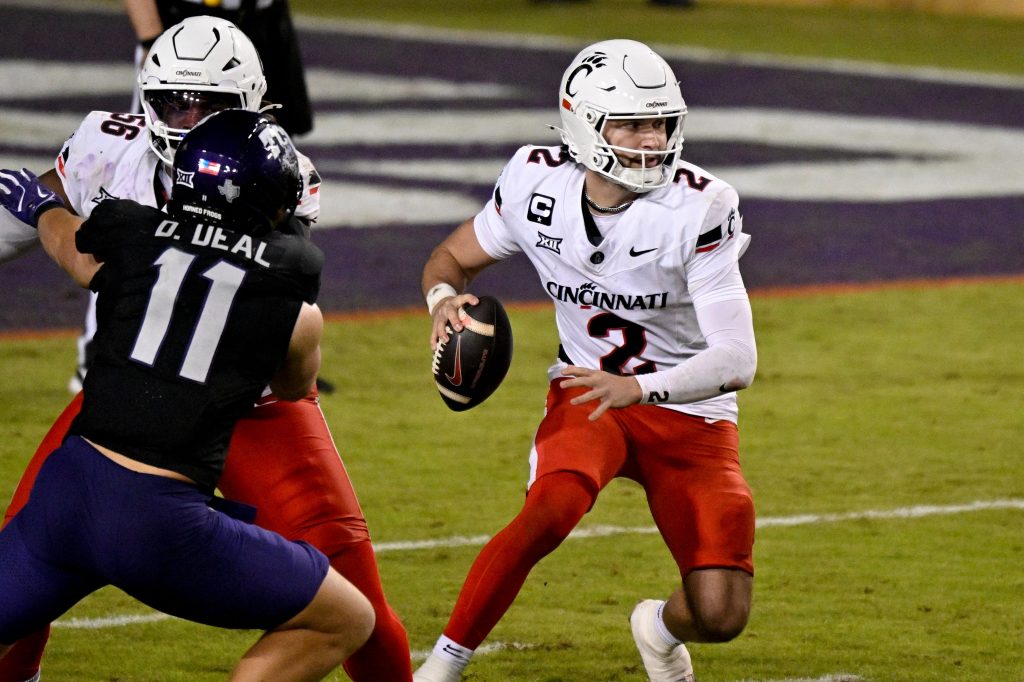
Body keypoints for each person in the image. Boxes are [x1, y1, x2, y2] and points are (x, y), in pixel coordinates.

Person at [0, 17, 412, 682]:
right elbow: (36, 206)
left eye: (207, 105)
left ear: (249, 105)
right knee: (29, 544)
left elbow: (79, 246)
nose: (187, 119)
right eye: (171, 102)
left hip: (247, 399)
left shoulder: (277, 173)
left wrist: (41, 209)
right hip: (138, 387)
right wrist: (33, 204)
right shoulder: (110, 144)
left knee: (351, 585)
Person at [414, 39, 757, 682]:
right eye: (631, 124)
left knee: (720, 614)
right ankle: (442, 666)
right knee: (549, 509)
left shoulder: (700, 206)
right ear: (582, 124)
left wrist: (641, 388)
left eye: (662, 123)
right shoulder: (534, 181)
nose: (652, 140)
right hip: (588, 392)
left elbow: (738, 358)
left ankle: (657, 629)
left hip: (692, 411)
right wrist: (442, 300)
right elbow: (452, 257)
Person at [125, 0, 313, 136]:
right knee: (165, 133)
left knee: (273, 140)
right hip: (185, 22)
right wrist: (151, 37)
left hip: (265, 20)